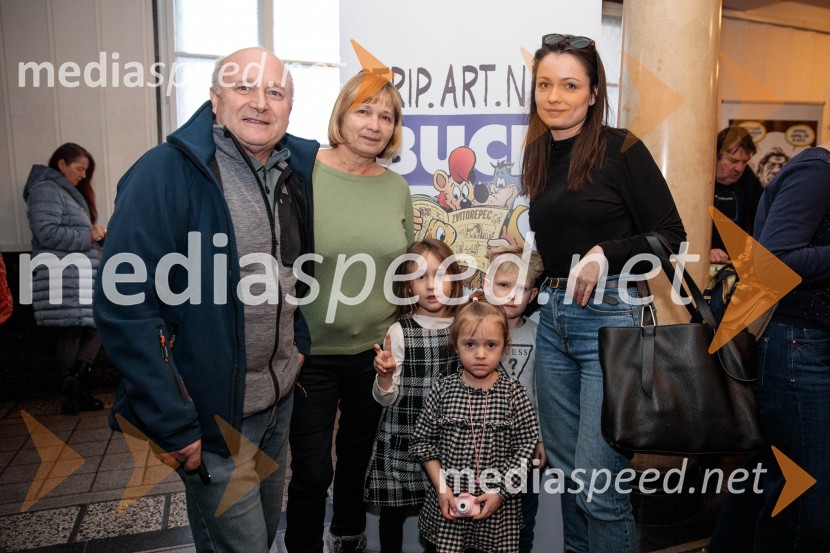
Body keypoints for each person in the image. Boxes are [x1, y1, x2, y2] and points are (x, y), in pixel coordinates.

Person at [93, 47, 318, 553]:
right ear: (214, 99)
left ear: (290, 107)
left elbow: (295, 273)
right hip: (213, 415)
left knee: (262, 537)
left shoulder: (293, 174)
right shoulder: (165, 173)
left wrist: (298, 344)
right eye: (244, 87)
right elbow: (122, 305)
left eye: (275, 92)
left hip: (278, 404)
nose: (260, 102)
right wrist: (172, 420)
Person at [523, 33, 686, 552]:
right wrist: (528, 287)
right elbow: (557, 248)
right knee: (571, 479)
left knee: (600, 489)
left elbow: (671, 237)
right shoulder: (539, 152)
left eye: (570, 85)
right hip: (553, 323)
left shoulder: (622, 148)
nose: (554, 96)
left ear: (594, 93)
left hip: (612, 323)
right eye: (545, 84)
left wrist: (605, 253)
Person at [284, 71, 414, 553]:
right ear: (341, 114)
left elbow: (404, 268)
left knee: (359, 459)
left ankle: (348, 537)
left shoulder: (396, 187)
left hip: (375, 353)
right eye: (364, 111)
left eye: (387, 116)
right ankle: (303, 545)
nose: (375, 125)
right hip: (310, 353)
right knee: (312, 469)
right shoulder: (303, 174)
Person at [709, 140, 830, 552]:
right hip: (800, 346)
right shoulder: (819, 170)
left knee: (767, 477)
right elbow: (774, 260)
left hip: (804, 344)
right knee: (807, 500)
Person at [410, 291, 539, 553]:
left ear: (505, 345)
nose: (480, 354)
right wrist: (442, 488)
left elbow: (526, 448)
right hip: (448, 505)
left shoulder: (514, 394)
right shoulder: (442, 390)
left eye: (491, 345)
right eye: (470, 344)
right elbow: (422, 443)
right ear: (455, 344)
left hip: (498, 512)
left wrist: (500, 492)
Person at [365, 238, 464, 553]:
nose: (431, 285)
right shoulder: (399, 331)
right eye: (421, 276)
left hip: (447, 441)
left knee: (443, 514)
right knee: (392, 513)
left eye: (440, 274)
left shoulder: (464, 329)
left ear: (455, 279)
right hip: (402, 438)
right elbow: (385, 399)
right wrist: (384, 376)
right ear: (408, 285)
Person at [23, 143, 106, 415]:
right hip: (63, 273)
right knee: (74, 329)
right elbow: (46, 233)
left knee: (87, 327)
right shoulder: (46, 190)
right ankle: (74, 387)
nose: (83, 175)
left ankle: (74, 385)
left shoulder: (61, 192)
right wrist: (89, 235)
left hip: (73, 274)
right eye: (79, 168)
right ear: (61, 164)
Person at [484, 245, 545, 553]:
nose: (511, 294)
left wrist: (541, 439)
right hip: (480, 447)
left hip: (524, 447)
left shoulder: (538, 334)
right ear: (488, 285)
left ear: (532, 295)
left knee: (522, 523)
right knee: (478, 523)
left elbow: (541, 391)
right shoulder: (475, 330)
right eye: (503, 285)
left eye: (520, 288)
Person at [711, 126, 763, 264]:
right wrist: (703, 251)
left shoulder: (749, 181)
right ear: (715, 157)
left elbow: (762, 220)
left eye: (744, 162)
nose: (739, 168)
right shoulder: (698, 182)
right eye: (733, 161)